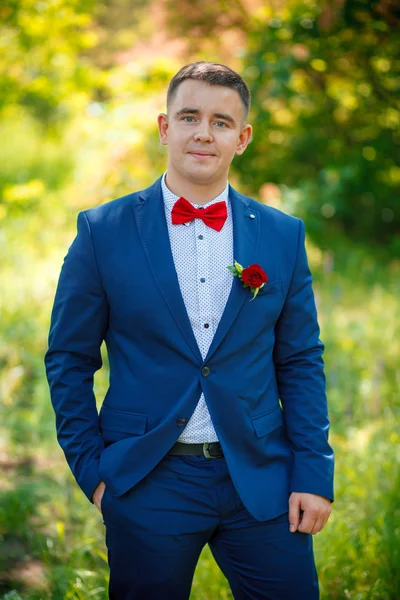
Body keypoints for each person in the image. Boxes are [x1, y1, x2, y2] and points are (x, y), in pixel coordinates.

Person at [45, 61, 334, 600]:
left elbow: (300, 361)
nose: (204, 133)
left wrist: (313, 475)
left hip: (262, 478)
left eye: (222, 122)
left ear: (242, 138)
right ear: (164, 128)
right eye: (190, 117)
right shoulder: (101, 231)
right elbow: (68, 357)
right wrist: (94, 472)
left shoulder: (282, 235)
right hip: (148, 479)